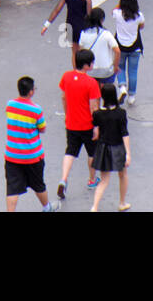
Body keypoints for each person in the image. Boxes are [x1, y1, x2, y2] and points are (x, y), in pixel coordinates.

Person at [5, 76, 59, 212]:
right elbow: (42, 129)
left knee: (12, 189)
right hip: (32, 156)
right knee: (38, 184)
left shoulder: (10, 105)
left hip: (12, 155)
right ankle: (47, 207)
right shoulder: (36, 110)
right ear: (31, 92)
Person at [56, 48, 102, 201]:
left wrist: (67, 113)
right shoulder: (91, 83)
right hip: (87, 124)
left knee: (70, 151)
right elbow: (94, 106)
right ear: (87, 65)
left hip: (71, 123)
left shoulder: (66, 77)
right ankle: (91, 180)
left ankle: (63, 178)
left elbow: (64, 97)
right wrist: (96, 126)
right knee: (92, 153)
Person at [89, 82, 131, 212]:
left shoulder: (97, 114)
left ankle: (94, 207)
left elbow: (95, 132)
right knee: (122, 175)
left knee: (104, 180)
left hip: (103, 148)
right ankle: (122, 202)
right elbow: (125, 134)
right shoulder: (121, 113)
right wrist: (128, 153)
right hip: (118, 147)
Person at [43, 0, 93, 67]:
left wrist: (47, 25)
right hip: (82, 28)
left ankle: (76, 73)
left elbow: (56, 10)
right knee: (84, 53)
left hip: (69, 26)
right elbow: (89, 15)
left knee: (74, 53)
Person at [112, 0, 145, 102]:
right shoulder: (139, 15)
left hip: (120, 47)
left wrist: (119, 5)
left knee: (120, 67)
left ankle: (122, 86)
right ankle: (132, 96)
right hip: (135, 46)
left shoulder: (117, 14)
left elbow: (114, 10)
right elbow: (141, 26)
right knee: (133, 71)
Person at [79, 7, 120, 88]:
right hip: (106, 70)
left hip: (91, 70)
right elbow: (117, 51)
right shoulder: (106, 34)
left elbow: (81, 51)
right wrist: (115, 66)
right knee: (106, 93)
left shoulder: (84, 33)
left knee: (94, 95)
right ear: (102, 19)